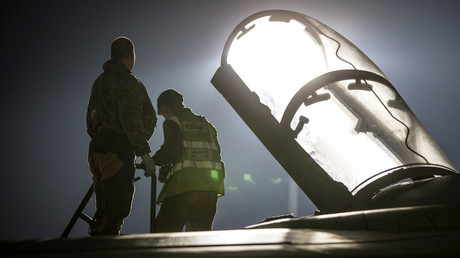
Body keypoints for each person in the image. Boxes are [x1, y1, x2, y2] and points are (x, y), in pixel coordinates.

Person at [86, 36, 157, 236]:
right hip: (117, 149)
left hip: (97, 150)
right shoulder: (127, 81)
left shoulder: (99, 82)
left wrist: (100, 139)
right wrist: (144, 154)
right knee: (115, 212)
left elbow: (89, 121)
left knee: (103, 211)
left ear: (111, 56)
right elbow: (131, 118)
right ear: (132, 57)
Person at [152, 89, 225, 232]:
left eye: (163, 114)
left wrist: (151, 160)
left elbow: (171, 151)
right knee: (199, 239)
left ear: (164, 108)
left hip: (183, 187)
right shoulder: (207, 125)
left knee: (162, 236)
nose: (165, 116)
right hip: (209, 190)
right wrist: (169, 169)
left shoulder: (173, 122)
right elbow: (211, 154)